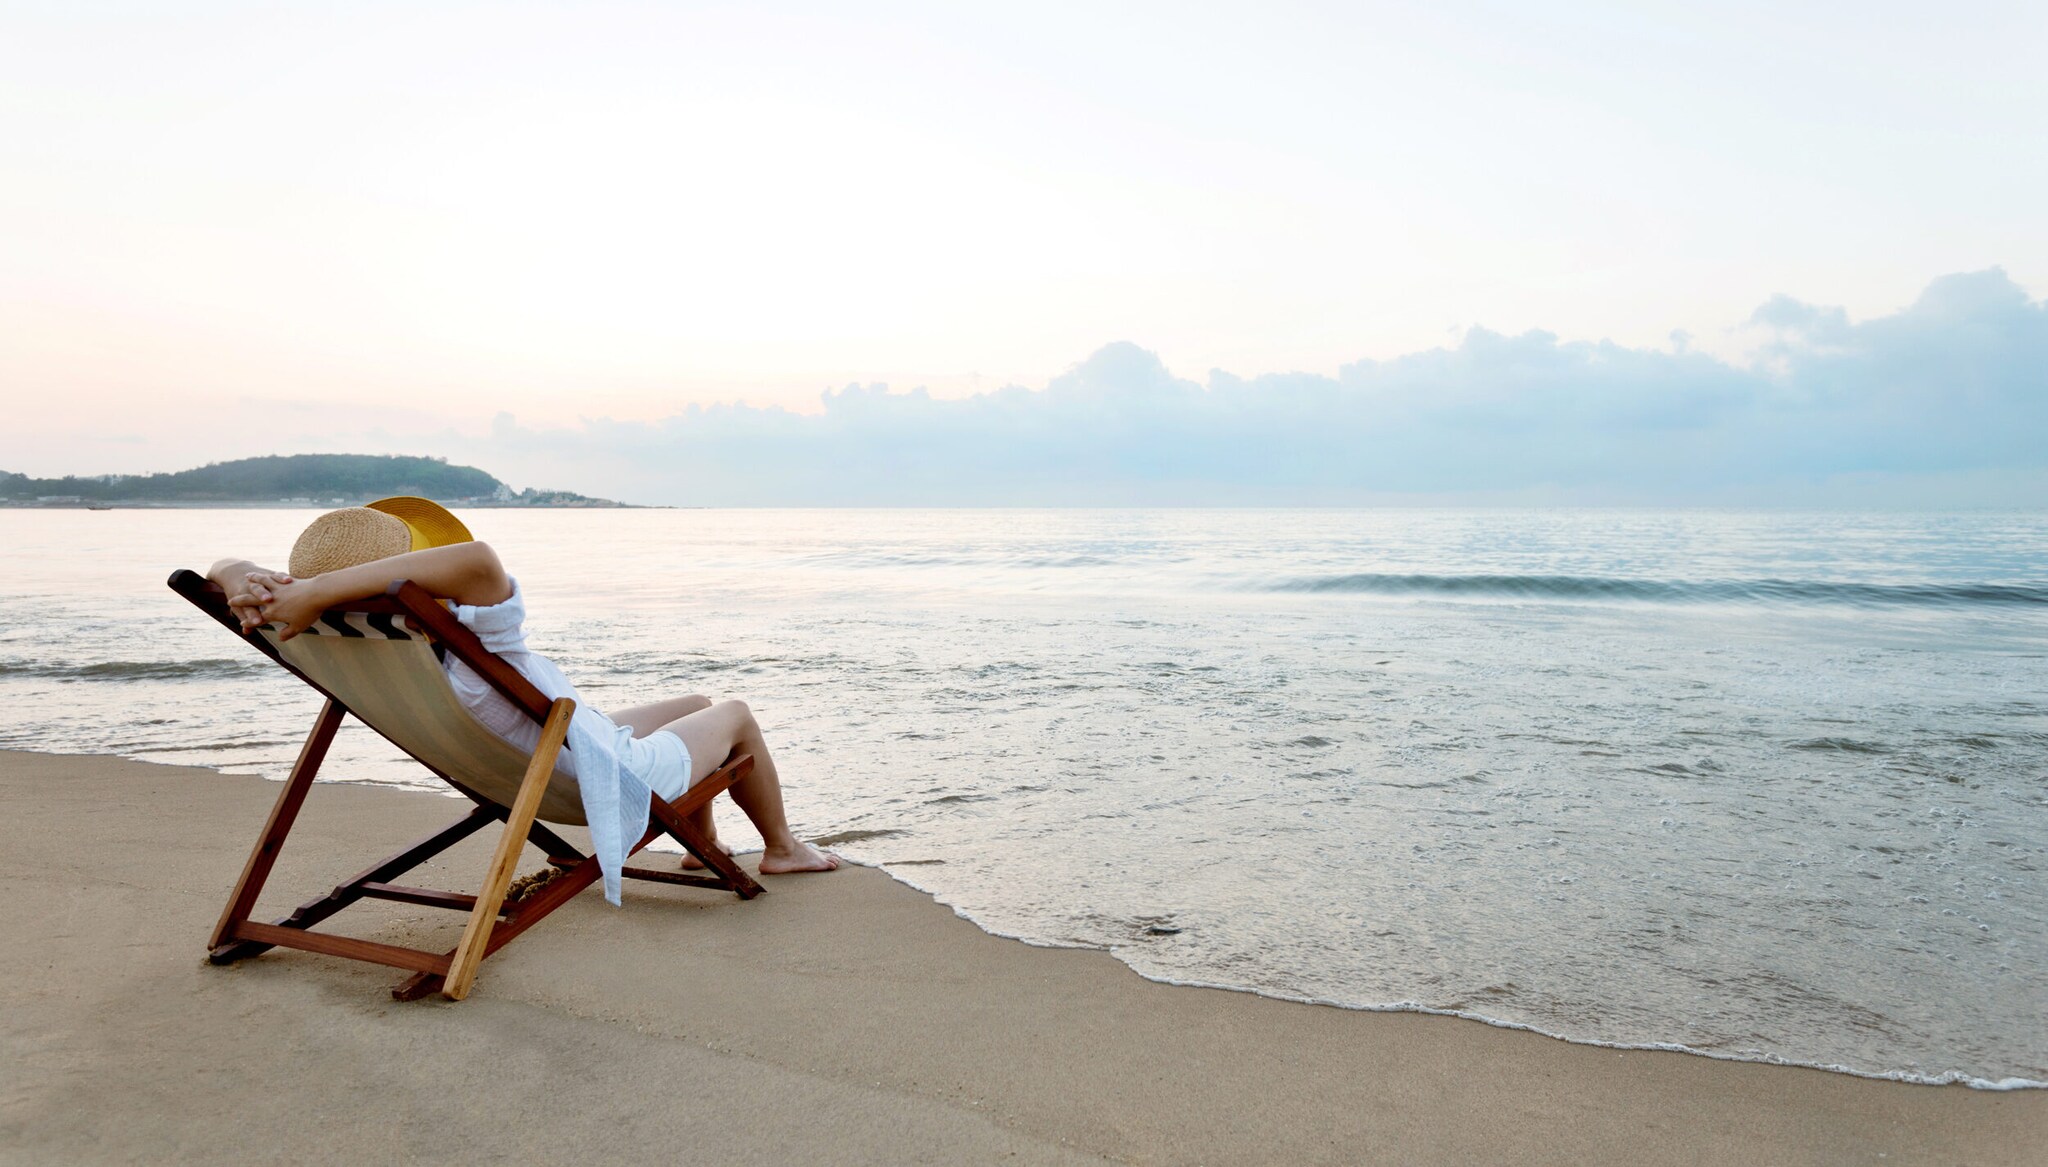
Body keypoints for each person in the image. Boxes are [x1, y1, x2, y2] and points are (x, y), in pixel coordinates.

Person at [206, 500, 838, 901]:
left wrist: (250, 580)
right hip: (585, 777)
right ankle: (783, 849)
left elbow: (220, 564)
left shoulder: (341, 635)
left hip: (531, 758)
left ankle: (706, 852)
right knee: (734, 714)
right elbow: (481, 561)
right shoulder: (475, 629)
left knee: (694, 699)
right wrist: (322, 588)